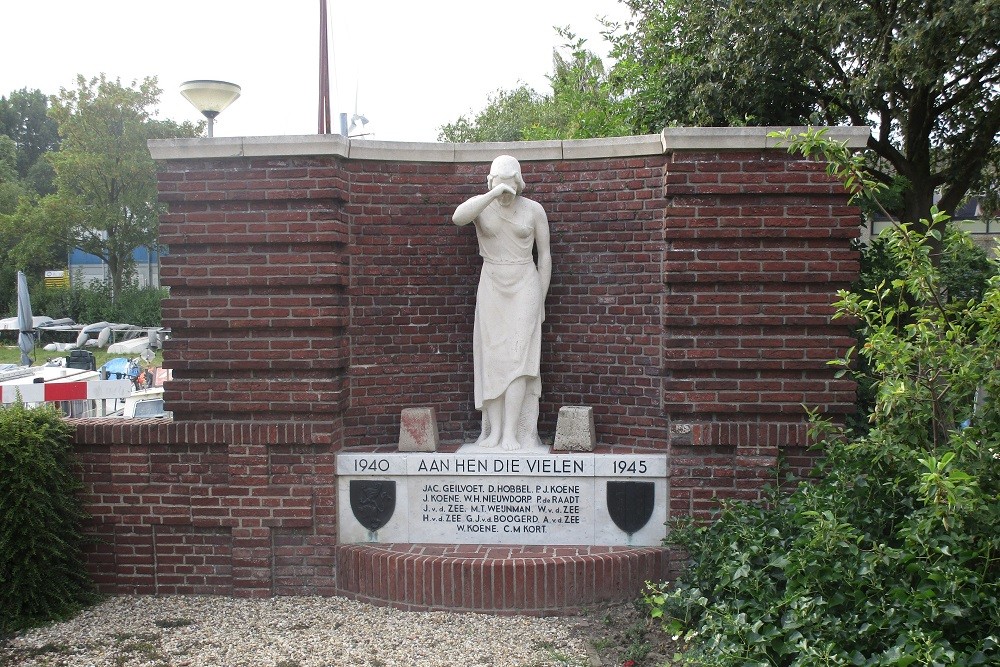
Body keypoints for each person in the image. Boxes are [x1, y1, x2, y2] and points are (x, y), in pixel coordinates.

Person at [453, 155, 551, 451]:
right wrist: (493, 194)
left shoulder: (534, 210)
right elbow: (458, 217)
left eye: (510, 183)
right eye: (499, 182)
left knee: (519, 358)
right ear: (491, 181)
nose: (506, 190)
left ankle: (512, 433)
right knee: (493, 358)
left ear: (519, 181)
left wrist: (542, 300)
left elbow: (544, 256)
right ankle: (494, 432)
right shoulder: (482, 206)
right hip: (493, 282)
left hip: (525, 282)